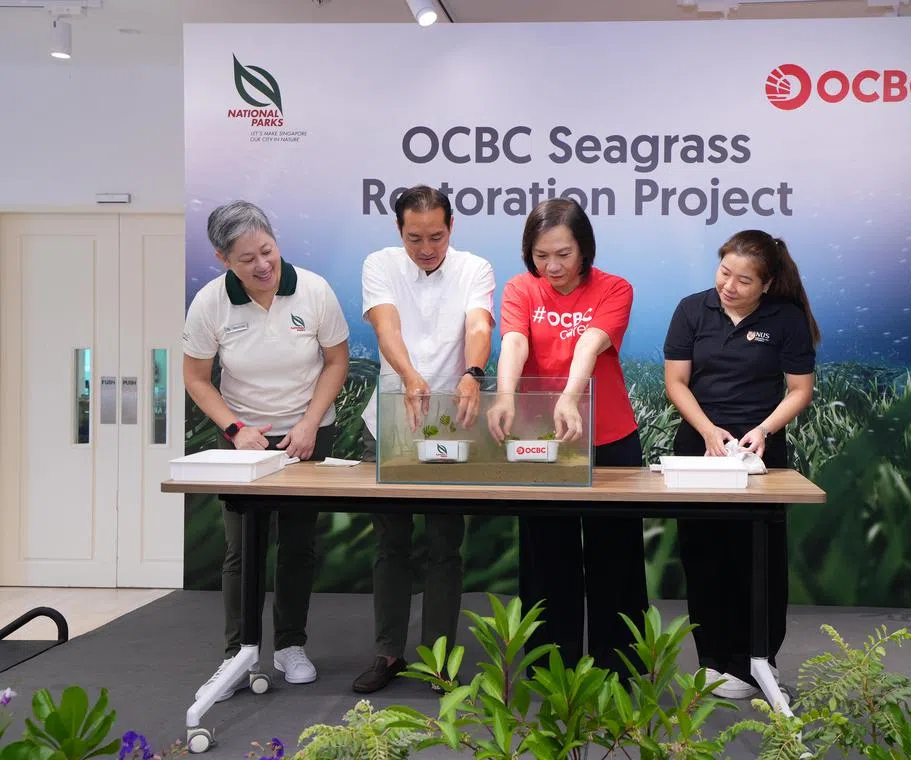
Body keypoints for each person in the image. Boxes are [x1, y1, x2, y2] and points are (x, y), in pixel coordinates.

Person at [182, 200, 350, 699]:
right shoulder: (212, 303)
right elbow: (196, 377)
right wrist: (235, 428)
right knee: (242, 548)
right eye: (246, 259)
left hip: (307, 432)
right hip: (242, 438)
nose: (261, 266)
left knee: (298, 544)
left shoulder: (314, 290)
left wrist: (309, 424)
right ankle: (238, 653)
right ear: (222, 258)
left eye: (267, 251)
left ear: (276, 241)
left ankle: (291, 646)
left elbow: (336, 362)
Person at [487, 198, 649, 674]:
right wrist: (505, 395)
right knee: (546, 553)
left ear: (584, 249)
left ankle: (618, 664)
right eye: (542, 255)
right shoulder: (521, 289)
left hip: (610, 439)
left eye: (563, 254)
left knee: (614, 554)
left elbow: (590, 343)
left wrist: (569, 396)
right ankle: (551, 664)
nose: (553, 266)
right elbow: (515, 341)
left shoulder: (615, 288)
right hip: (542, 442)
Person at [663, 229, 819, 700]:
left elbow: (799, 390)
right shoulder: (692, 309)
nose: (729, 286)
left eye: (744, 280)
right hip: (698, 450)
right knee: (703, 555)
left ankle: (756, 661)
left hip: (760, 456)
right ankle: (712, 660)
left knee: (757, 558)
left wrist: (764, 430)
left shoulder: (786, 319)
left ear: (767, 284)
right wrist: (708, 431)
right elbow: (676, 382)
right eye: (724, 272)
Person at [351, 185, 495, 694]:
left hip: (451, 424)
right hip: (392, 419)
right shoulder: (381, 264)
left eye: (436, 236)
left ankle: (438, 661)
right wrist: (412, 377)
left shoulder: (474, 268)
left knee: (443, 545)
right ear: (399, 231)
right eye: (415, 238)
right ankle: (387, 652)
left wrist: (473, 371)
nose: (427, 247)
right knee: (390, 544)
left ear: (451, 228)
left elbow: (479, 323)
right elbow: (386, 328)